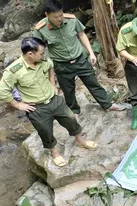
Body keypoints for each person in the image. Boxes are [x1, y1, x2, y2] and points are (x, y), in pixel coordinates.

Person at [0, 37, 97, 167]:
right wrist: (18, 105)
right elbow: (2, 91)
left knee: (71, 118)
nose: (43, 55)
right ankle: (54, 153)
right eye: (40, 53)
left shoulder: (44, 60)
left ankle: (80, 140)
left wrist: (53, 83)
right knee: (45, 130)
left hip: (54, 100)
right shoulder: (14, 70)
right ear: (30, 54)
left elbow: (50, 66)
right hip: (37, 108)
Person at [33, 0, 125, 115]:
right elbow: (37, 50)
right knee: (68, 91)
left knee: (93, 83)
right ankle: (74, 111)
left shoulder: (72, 20)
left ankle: (107, 105)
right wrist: (46, 66)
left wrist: (91, 52)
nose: (60, 19)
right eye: (55, 17)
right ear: (47, 15)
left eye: (61, 15)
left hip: (80, 60)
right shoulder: (41, 29)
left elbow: (81, 34)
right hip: (61, 65)